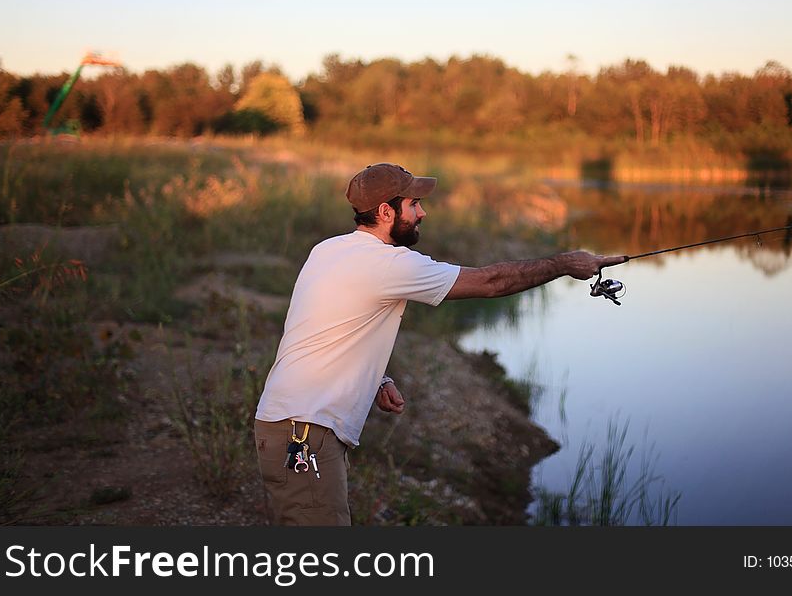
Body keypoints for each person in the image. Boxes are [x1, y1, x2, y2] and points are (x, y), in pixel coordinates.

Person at [254, 163, 626, 525]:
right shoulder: (388, 264)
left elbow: (323, 325)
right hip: (304, 434)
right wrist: (563, 263)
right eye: (414, 205)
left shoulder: (329, 249)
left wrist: (376, 378)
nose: (423, 212)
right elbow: (490, 282)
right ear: (386, 211)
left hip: (293, 426)